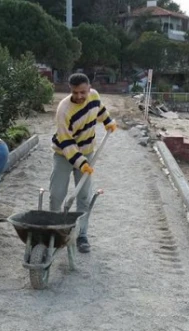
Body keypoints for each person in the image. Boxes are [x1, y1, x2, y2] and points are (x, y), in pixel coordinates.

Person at [50, 73, 117, 253]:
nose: (79, 96)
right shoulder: (64, 110)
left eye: (83, 92)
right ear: (70, 90)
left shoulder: (93, 95)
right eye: (75, 92)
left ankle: (81, 235)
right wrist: (81, 164)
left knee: (84, 197)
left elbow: (99, 109)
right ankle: (53, 232)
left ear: (89, 88)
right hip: (64, 154)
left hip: (87, 151)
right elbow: (66, 142)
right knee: (57, 194)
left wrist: (108, 122)